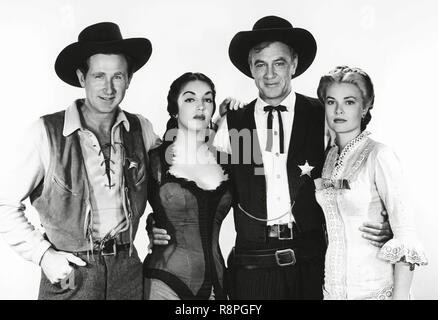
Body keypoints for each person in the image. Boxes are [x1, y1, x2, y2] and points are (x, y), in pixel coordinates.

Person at [151, 15, 392, 300]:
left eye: (279, 63)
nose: (270, 74)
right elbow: (199, 185)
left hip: (312, 264)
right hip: (252, 267)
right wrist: (160, 223)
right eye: (260, 64)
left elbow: (358, 168)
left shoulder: (323, 114)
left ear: (294, 64)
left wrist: (384, 218)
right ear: (251, 69)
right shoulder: (233, 123)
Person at [0, 22, 160, 299]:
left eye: (118, 76)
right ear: (81, 77)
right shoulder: (45, 132)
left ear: (129, 79)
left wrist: (220, 122)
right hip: (71, 275)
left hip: (129, 273)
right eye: (99, 75)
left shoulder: (141, 128)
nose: (109, 88)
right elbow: (4, 203)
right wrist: (43, 256)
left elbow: (174, 176)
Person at [314, 66, 428, 300]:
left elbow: (405, 235)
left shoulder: (380, 155)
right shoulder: (328, 158)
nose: (338, 110)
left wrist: (400, 296)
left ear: (365, 107)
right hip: (332, 291)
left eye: (349, 102)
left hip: (374, 291)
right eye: (331, 101)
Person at [143, 72, 245, 300]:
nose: (200, 106)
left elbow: (260, 193)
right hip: (164, 283)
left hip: (218, 285)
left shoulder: (228, 160)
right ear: (174, 109)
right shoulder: (154, 160)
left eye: (207, 99)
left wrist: (240, 120)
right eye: (190, 99)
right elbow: (126, 206)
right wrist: (151, 225)